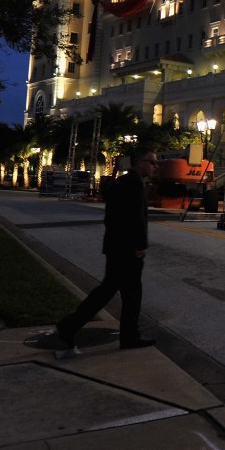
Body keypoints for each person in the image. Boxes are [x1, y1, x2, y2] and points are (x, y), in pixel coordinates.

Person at [56, 149, 159, 350]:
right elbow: (135, 219)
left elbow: (112, 217)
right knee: (129, 294)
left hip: (116, 246)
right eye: (152, 162)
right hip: (127, 250)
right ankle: (127, 335)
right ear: (139, 162)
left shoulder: (122, 182)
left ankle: (71, 326)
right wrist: (139, 246)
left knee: (110, 291)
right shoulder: (135, 184)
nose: (156, 167)